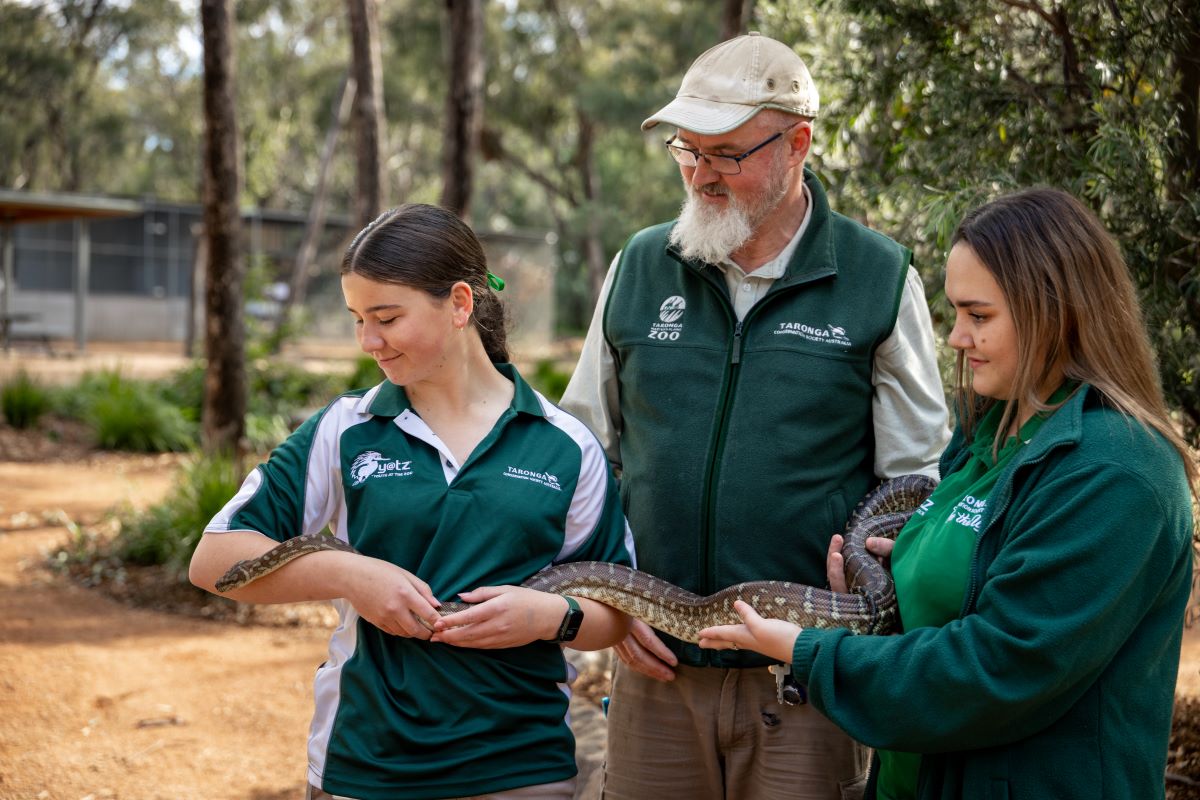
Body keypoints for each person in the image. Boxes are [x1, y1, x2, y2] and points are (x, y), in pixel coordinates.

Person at [698, 187, 1198, 800]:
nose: (956, 338)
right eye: (955, 314)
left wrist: (810, 651)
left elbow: (1000, 669)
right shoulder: (987, 436)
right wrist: (869, 602)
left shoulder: (1118, 473)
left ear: (1057, 311)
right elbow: (947, 611)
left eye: (978, 316)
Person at [559, 31, 951, 800]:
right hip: (656, 669)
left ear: (797, 142)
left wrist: (875, 576)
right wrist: (614, 607)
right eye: (686, 149)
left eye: (727, 154)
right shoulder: (640, 265)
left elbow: (917, 480)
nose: (700, 174)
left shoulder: (877, 278)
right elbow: (583, 452)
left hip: (803, 682)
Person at [189, 203, 635, 800]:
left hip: (522, 768)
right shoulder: (346, 429)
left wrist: (548, 616)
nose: (369, 340)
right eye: (357, 319)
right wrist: (349, 572)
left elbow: (619, 604)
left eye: (387, 317)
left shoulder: (564, 446)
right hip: (367, 764)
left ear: (459, 303)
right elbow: (215, 561)